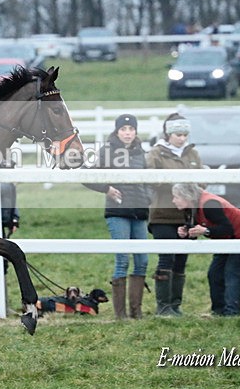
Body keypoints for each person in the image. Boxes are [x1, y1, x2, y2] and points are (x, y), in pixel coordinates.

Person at [84, 113, 151, 319]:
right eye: (124, 129)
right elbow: (88, 177)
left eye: (131, 129)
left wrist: (148, 197)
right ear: (117, 131)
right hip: (118, 211)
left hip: (139, 211)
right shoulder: (107, 152)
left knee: (142, 260)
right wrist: (107, 188)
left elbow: (148, 178)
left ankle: (136, 311)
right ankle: (120, 314)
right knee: (122, 258)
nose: (128, 133)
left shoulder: (141, 153)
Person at [146, 113, 202, 316]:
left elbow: (202, 180)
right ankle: (163, 306)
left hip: (186, 216)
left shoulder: (193, 154)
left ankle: (175, 305)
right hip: (163, 214)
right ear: (168, 133)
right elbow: (151, 179)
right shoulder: (156, 154)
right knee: (166, 258)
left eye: (185, 134)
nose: (182, 138)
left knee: (181, 260)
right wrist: (177, 184)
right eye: (178, 134)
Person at [171, 183, 240, 316]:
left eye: (176, 197)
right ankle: (218, 311)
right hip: (225, 239)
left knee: (232, 274)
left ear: (187, 197)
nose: (173, 201)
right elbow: (201, 231)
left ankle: (232, 313)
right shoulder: (191, 208)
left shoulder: (209, 204)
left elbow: (227, 228)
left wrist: (206, 231)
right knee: (214, 274)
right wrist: (185, 233)